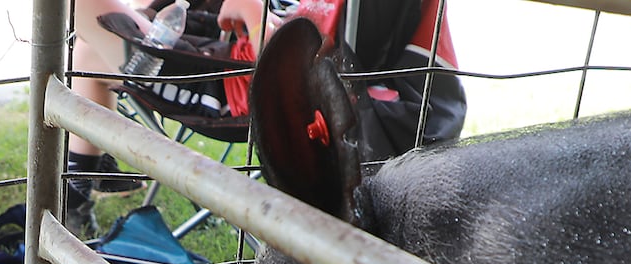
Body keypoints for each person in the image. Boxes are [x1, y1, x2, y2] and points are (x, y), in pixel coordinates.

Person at [66, 0, 466, 233]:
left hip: (254, 90)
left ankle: (76, 191)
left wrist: (255, 15)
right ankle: (80, 189)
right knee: (89, 48)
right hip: (233, 59)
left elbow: (330, 77)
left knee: (90, 13)